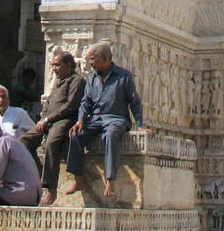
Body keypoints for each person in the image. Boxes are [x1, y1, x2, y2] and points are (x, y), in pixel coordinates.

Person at [66, 41, 153, 199]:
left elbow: (134, 102)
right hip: (96, 118)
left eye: (93, 59)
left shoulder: (123, 76)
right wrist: (80, 120)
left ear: (105, 58)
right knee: (75, 135)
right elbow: (86, 102)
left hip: (116, 118)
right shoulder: (92, 79)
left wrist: (140, 125)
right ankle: (78, 178)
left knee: (111, 135)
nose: (90, 63)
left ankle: (110, 180)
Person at [20, 51, 86, 205]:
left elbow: (70, 106)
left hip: (65, 120)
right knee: (23, 140)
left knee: (52, 142)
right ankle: (39, 173)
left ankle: (50, 188)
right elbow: (49, 102)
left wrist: (48, 119)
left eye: (57, 65)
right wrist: (43, 117)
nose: (54, 68)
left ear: (68, 65)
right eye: (53, 65)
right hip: (48, 121)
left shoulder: (77, 80)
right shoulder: (58, 82)